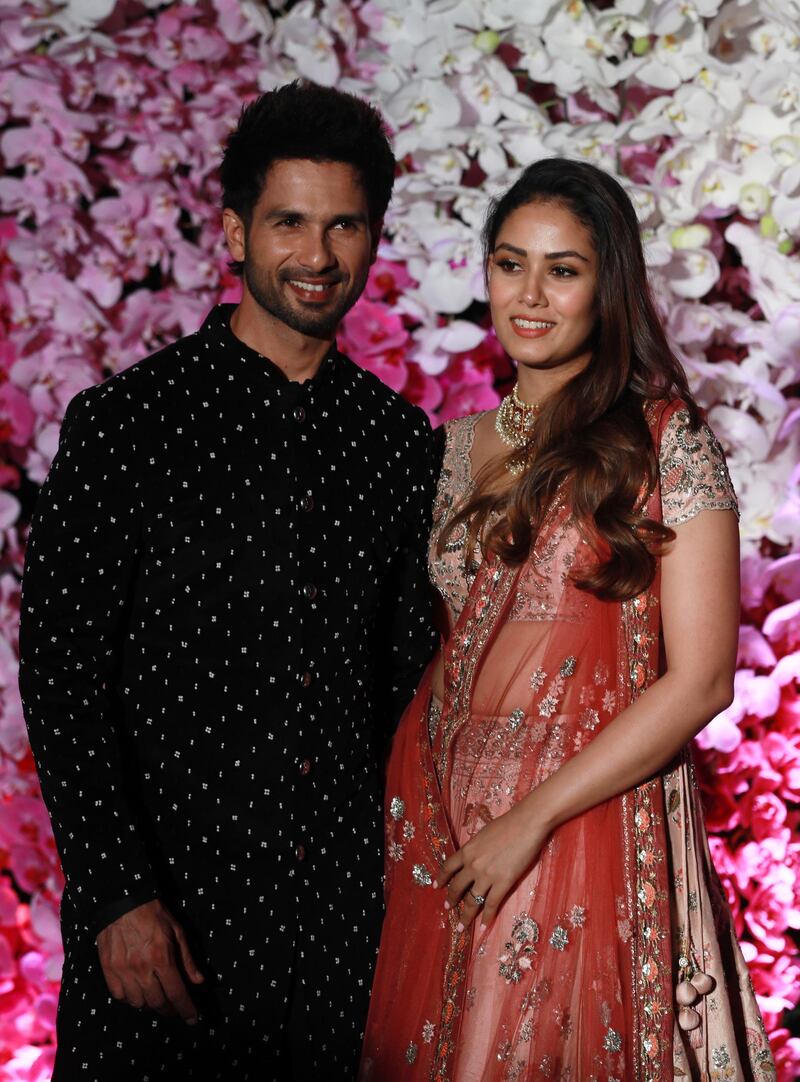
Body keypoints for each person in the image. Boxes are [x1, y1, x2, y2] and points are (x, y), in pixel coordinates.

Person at [19, 81, 439, 1082]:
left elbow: (400, 685)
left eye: (343, 225)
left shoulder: (394, 445)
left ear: (373, 238)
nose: (316, 255)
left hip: (335, 943)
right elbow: (62, 669)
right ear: (233, 229)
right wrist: (117, 895)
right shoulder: (129, 425)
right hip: (165, 934)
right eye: (288, 221)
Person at [360, 158, 775, 1080]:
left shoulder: (666, 444)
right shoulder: (452, 450)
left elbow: (703, 678)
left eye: (564, 269)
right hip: (443, 824)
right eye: (511, 265)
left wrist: (533, 818)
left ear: (608, 283)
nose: (531, 295)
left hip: (581, 818)